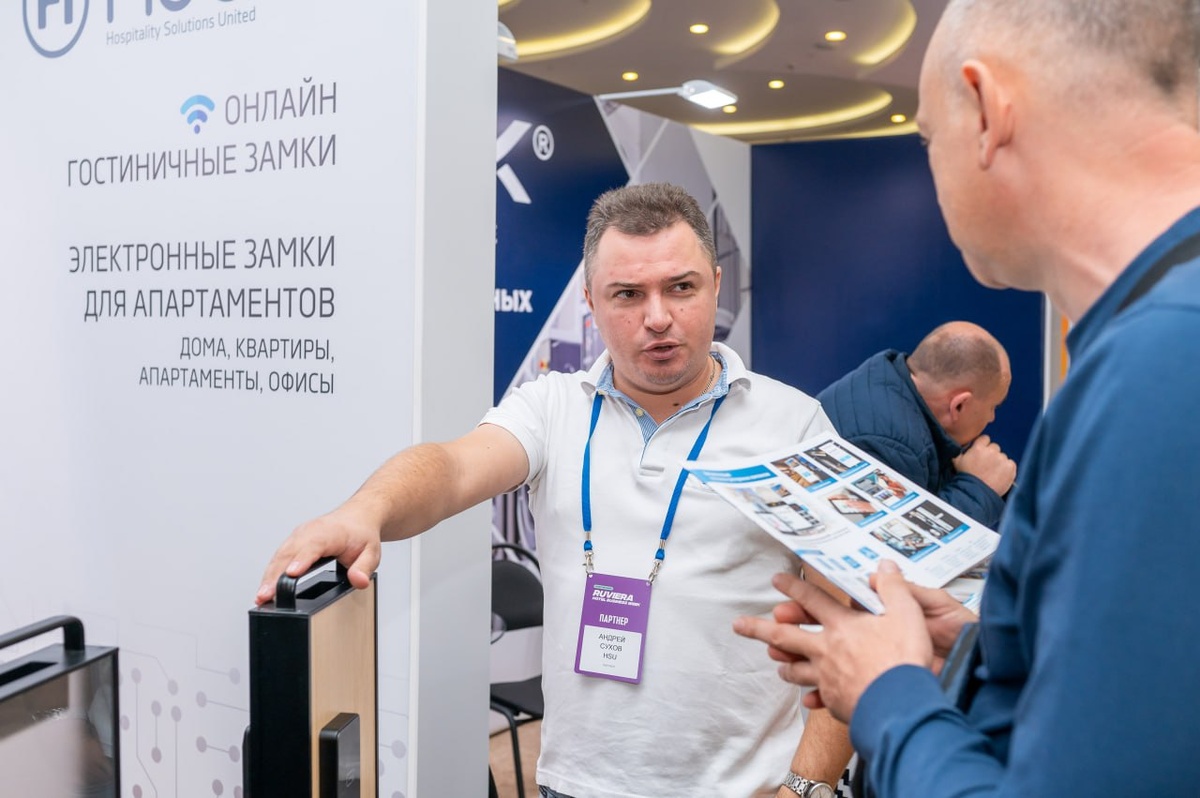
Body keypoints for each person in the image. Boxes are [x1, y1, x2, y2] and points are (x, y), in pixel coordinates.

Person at [733, 0, 1200, 795]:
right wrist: (983, 654)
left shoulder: (1156, 370)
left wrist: (887, 696)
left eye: (927, 137)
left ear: (986, 110)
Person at [256, 183, 854, 797]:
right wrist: (367, 510)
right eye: (628, 294)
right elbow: (452, 468)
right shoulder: (552, 408)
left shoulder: (794, 426)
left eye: (681, 287)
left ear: (716, 285)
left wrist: (805, 788)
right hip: (575, 785)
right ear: (591, 301)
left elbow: (852, 622)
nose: (658, 317)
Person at [816, 321, 1016, 528]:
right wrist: (978, 489)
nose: (992, 418)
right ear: (958, 405)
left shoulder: (890, 381)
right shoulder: (892, 444)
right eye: (993, 406)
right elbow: (900, 537)